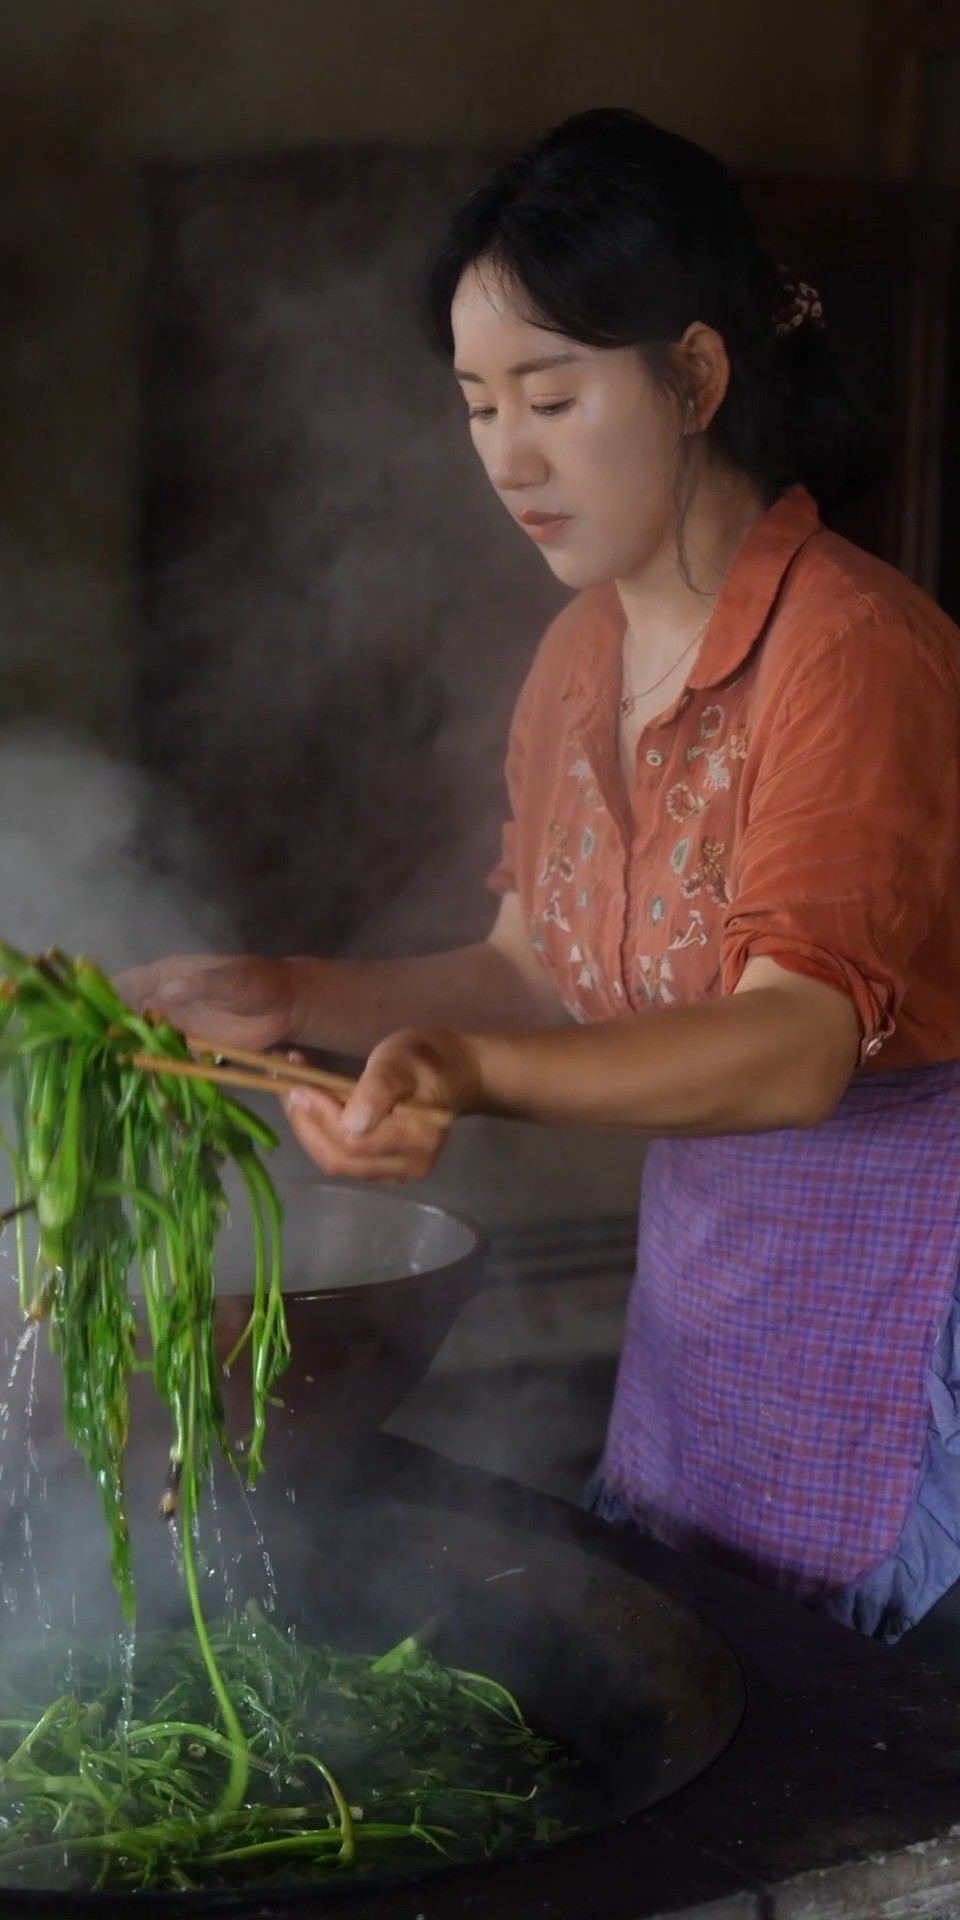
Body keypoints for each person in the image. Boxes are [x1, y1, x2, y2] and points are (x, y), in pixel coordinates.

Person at [121, 110, 960, 1643]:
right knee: (717, 1686)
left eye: (553, 396)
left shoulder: (855, 647)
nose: (508, 454)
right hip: (714, 1304)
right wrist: (297, 998)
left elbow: (796, 1044)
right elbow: (531, 966)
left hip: (912, 1309)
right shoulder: (584, 652)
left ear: (696, 377)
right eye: (476, 404)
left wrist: (463, 1072)